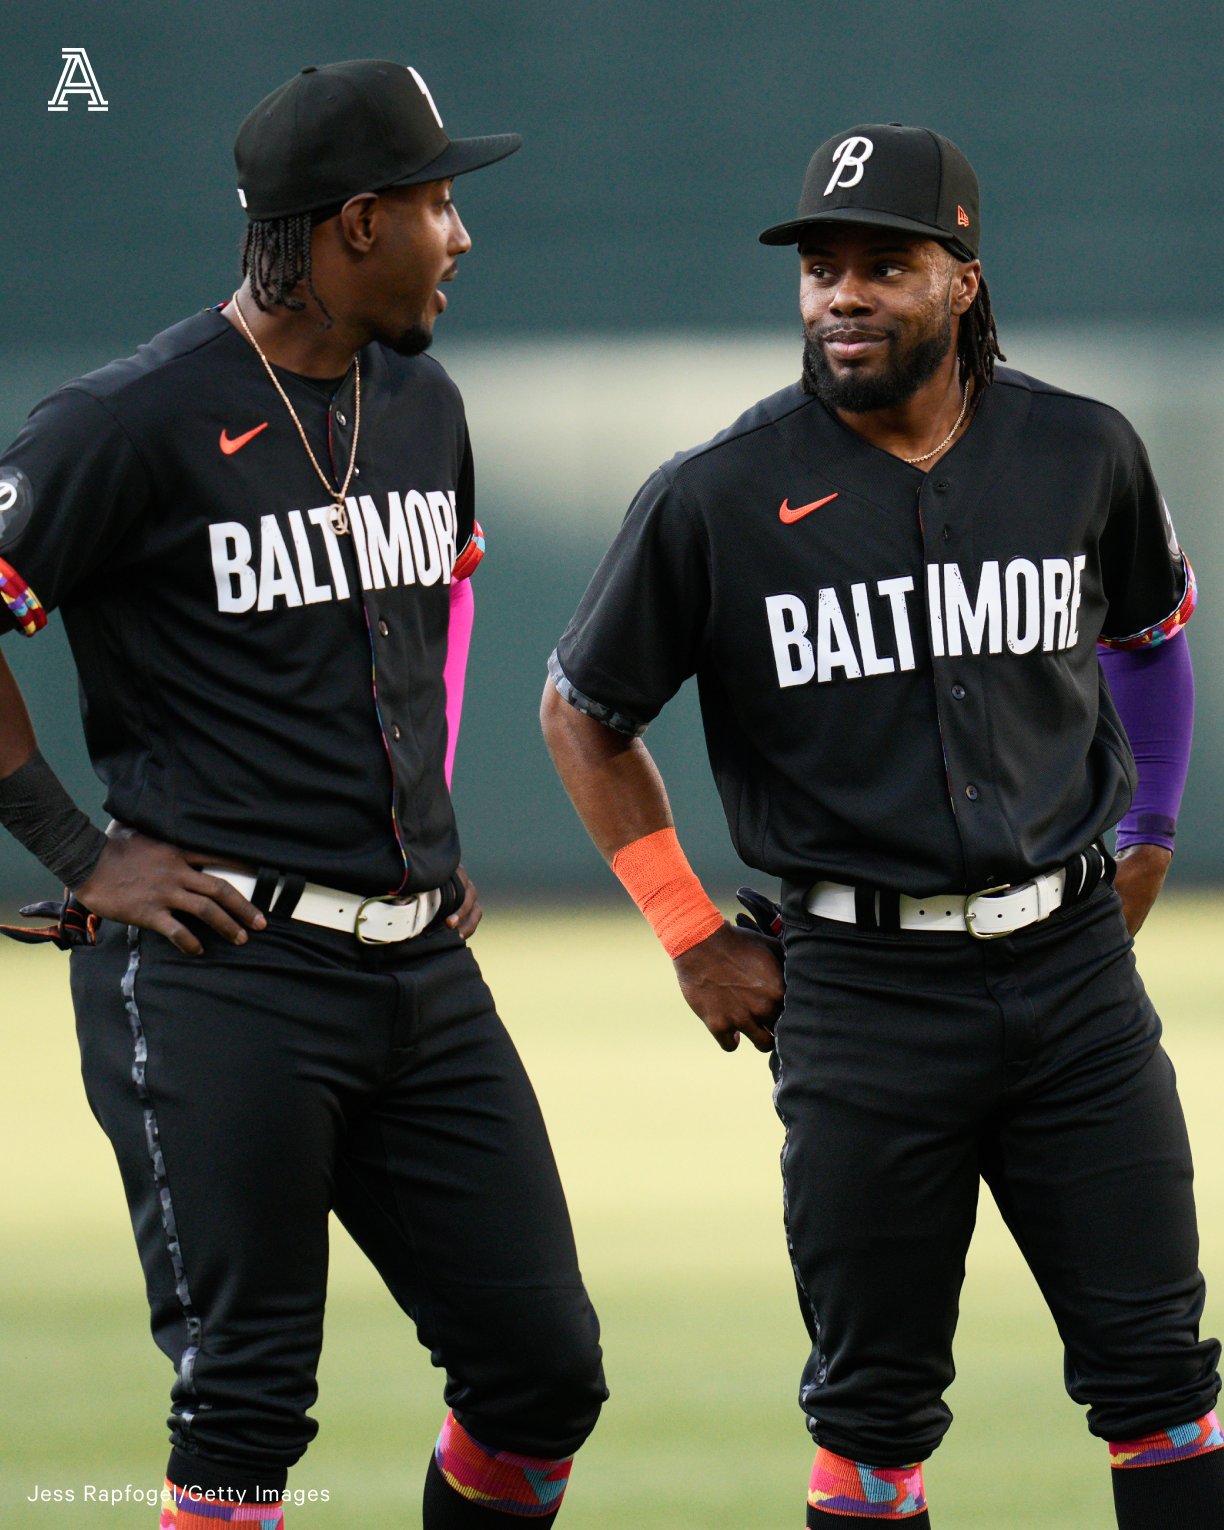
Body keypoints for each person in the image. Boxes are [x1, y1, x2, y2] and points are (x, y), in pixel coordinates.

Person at [540, 123, 1219, 1528]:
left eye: (884, 265)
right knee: (873, 1412)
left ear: (962, 278)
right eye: (822, 268)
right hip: (863, 993)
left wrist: (1149, 830)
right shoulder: (719, 495)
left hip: (1076, 982)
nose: (842, 294)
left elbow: (1152, 638)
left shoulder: (1082, 448)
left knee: (1165, 1383)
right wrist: (684, 933)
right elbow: (580, 712)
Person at [0, 59, 604, 1530]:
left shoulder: (421, 403)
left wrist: (428, 810)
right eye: (438, 203)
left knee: (542, 1373)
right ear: (353, 225)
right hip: (224, 971)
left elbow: (443, 609)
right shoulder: (129, 420)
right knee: (247, 1400)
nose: (459, 236)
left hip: (415, 969)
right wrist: (80, 851)